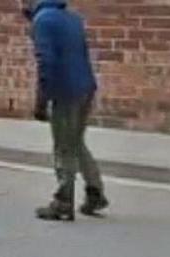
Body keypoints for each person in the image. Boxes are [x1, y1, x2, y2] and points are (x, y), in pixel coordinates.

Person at [23, 0, 108, 221]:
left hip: (65, 91)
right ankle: (95, 191)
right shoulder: (73, 18)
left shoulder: (42, 22)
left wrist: (41, 101)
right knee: (76, 142)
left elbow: (46, 62)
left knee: (63, 147)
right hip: (85, 88)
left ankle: (63, 201)